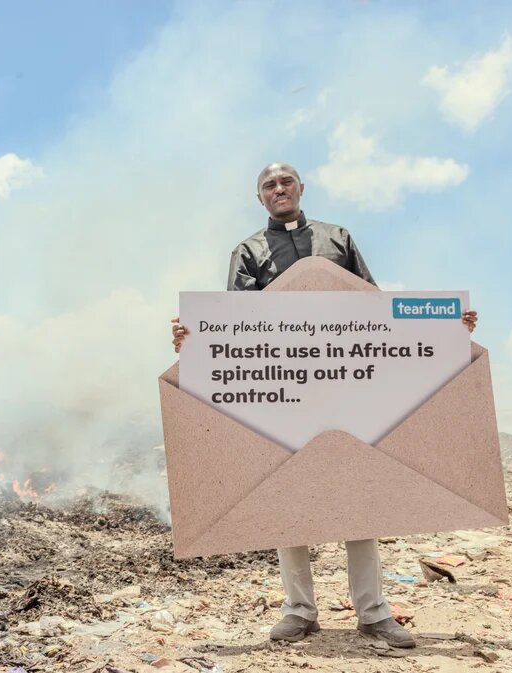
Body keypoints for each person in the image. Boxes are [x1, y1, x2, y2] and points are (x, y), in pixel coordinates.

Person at [170, 162, 478, 649]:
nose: (278, 189)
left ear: (301, 188)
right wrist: (192, 339)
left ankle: (374, 613)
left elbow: (376, 304)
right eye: (268, 185)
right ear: (260, 198)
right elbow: (233, 323)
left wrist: (445, 331)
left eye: (285, 181)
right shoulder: (247, 251)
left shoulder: (339, 238)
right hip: (284, 390)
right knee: (288, 500)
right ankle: (300, 612)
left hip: (346, 386)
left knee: (357, 499)